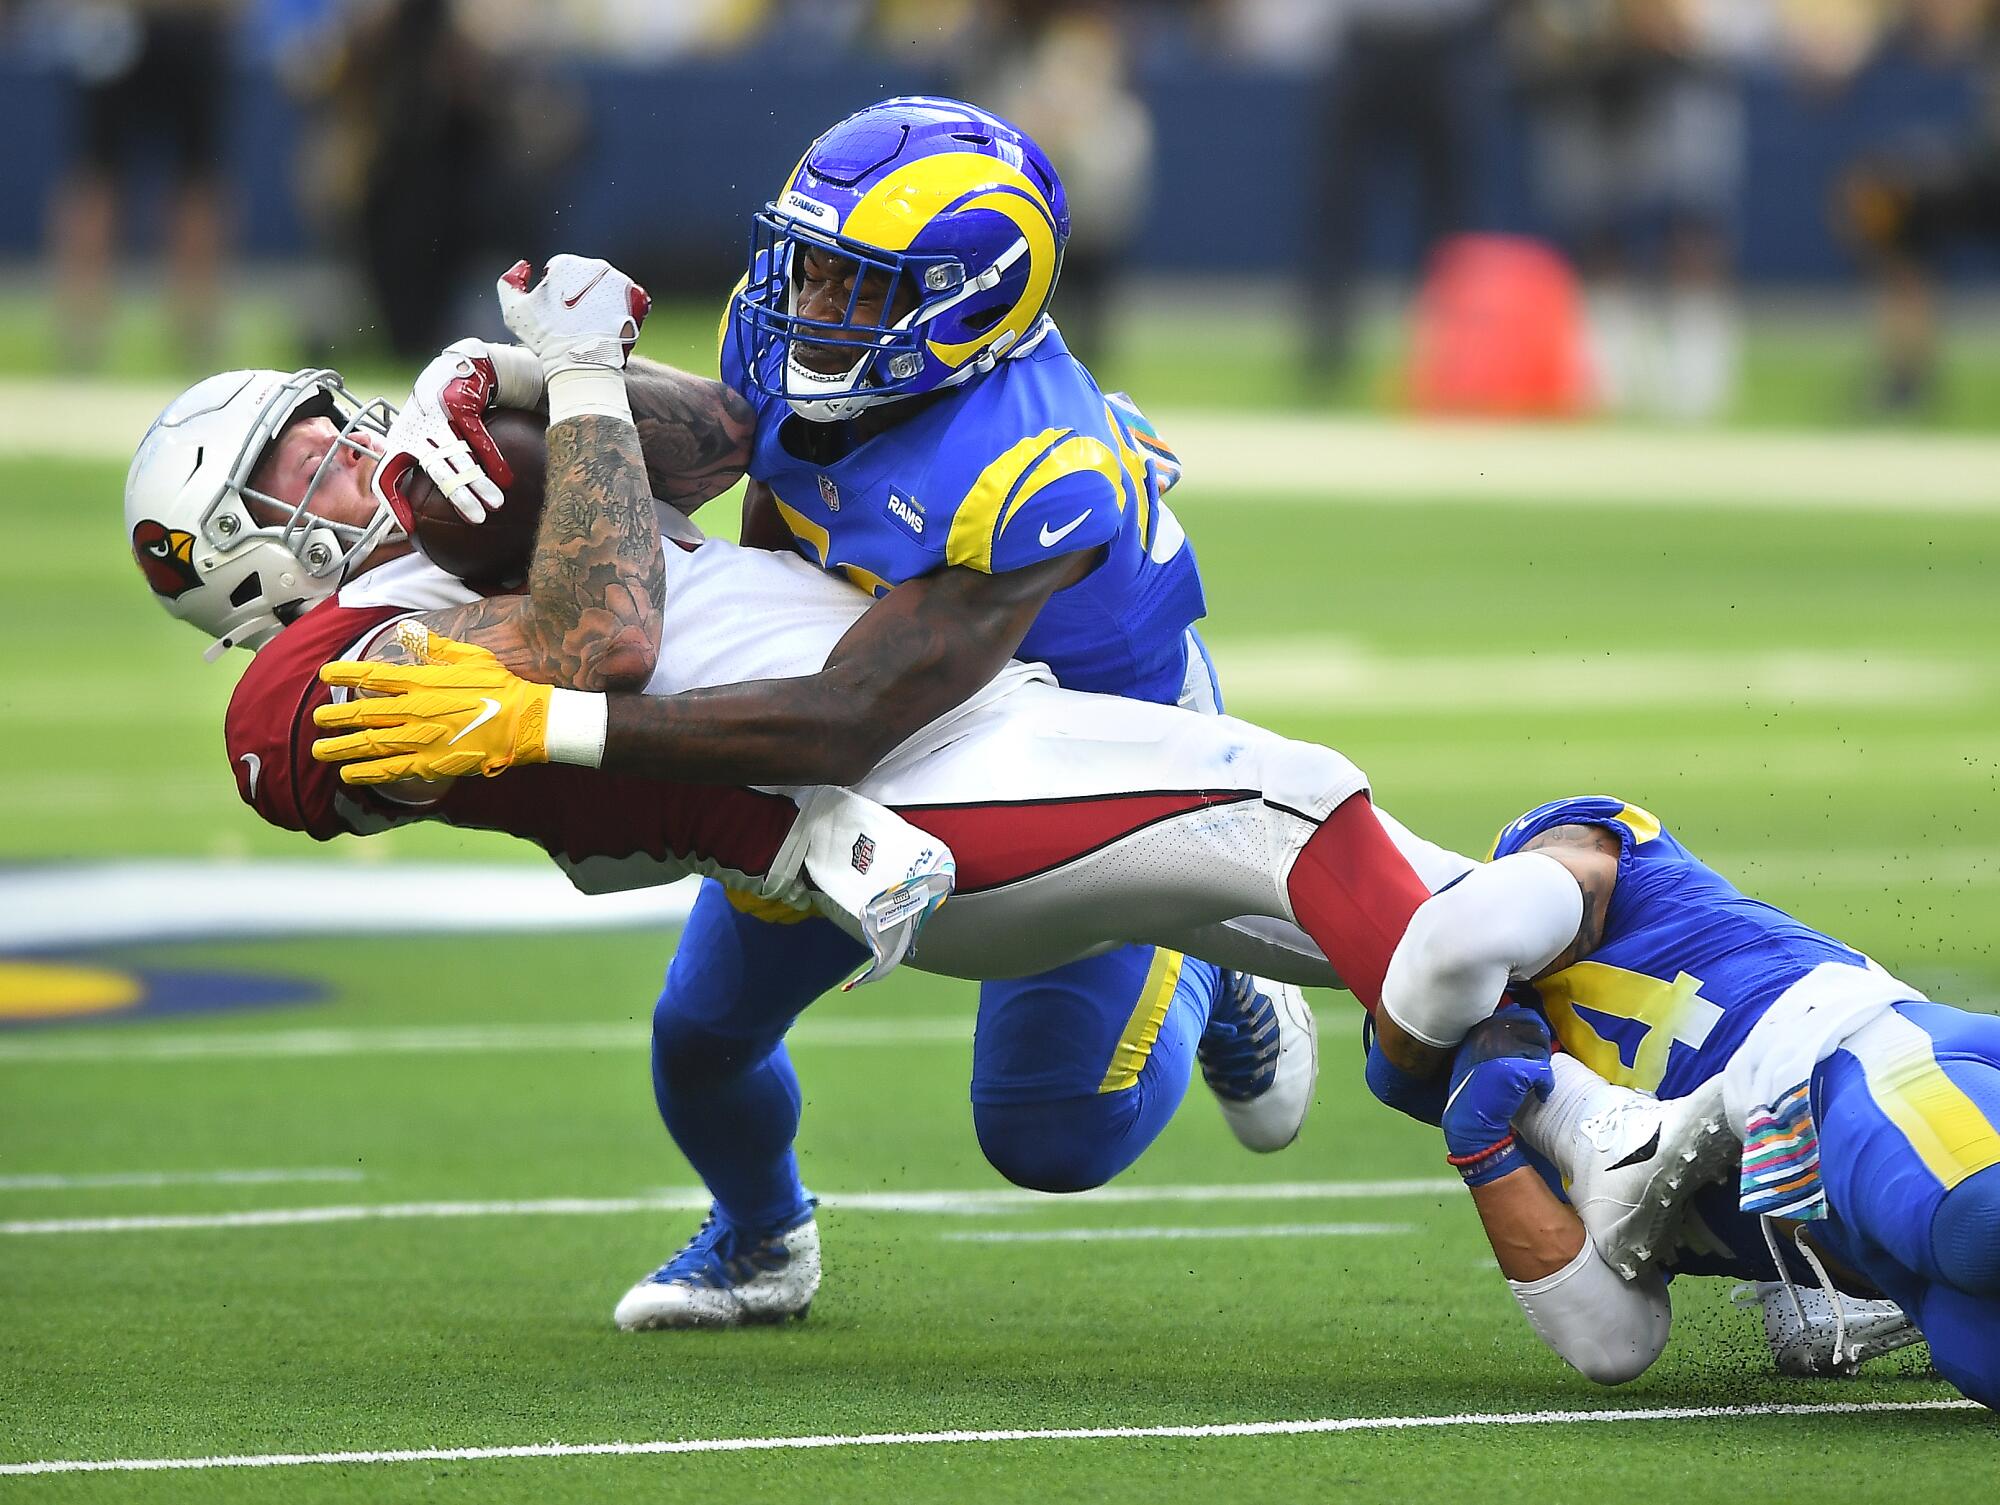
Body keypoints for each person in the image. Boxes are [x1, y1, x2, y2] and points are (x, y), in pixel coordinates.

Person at [125, 253, 1489, 1329]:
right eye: (300, 462)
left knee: (1049, 1133)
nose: (348, 444)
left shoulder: (454, 494)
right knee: (699, 1041)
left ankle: (1209, 975)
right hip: (770, 778)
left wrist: (522, 380)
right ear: (236, 556)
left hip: (905, 736)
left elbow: (723, 444)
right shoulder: (338, 664)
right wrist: (581, 381)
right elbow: (605, 640)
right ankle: (766, 1243)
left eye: (324, 418)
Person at [1365, 794, 2000, 1409]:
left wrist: (1399, 1058)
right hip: (1884, 1257)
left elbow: (1470, 927)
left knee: (1977, 1223)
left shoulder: (1621, 896)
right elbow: (1614, 1345)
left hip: (1849, 1061)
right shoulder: (1535, 1138)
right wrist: (1485, 1154)